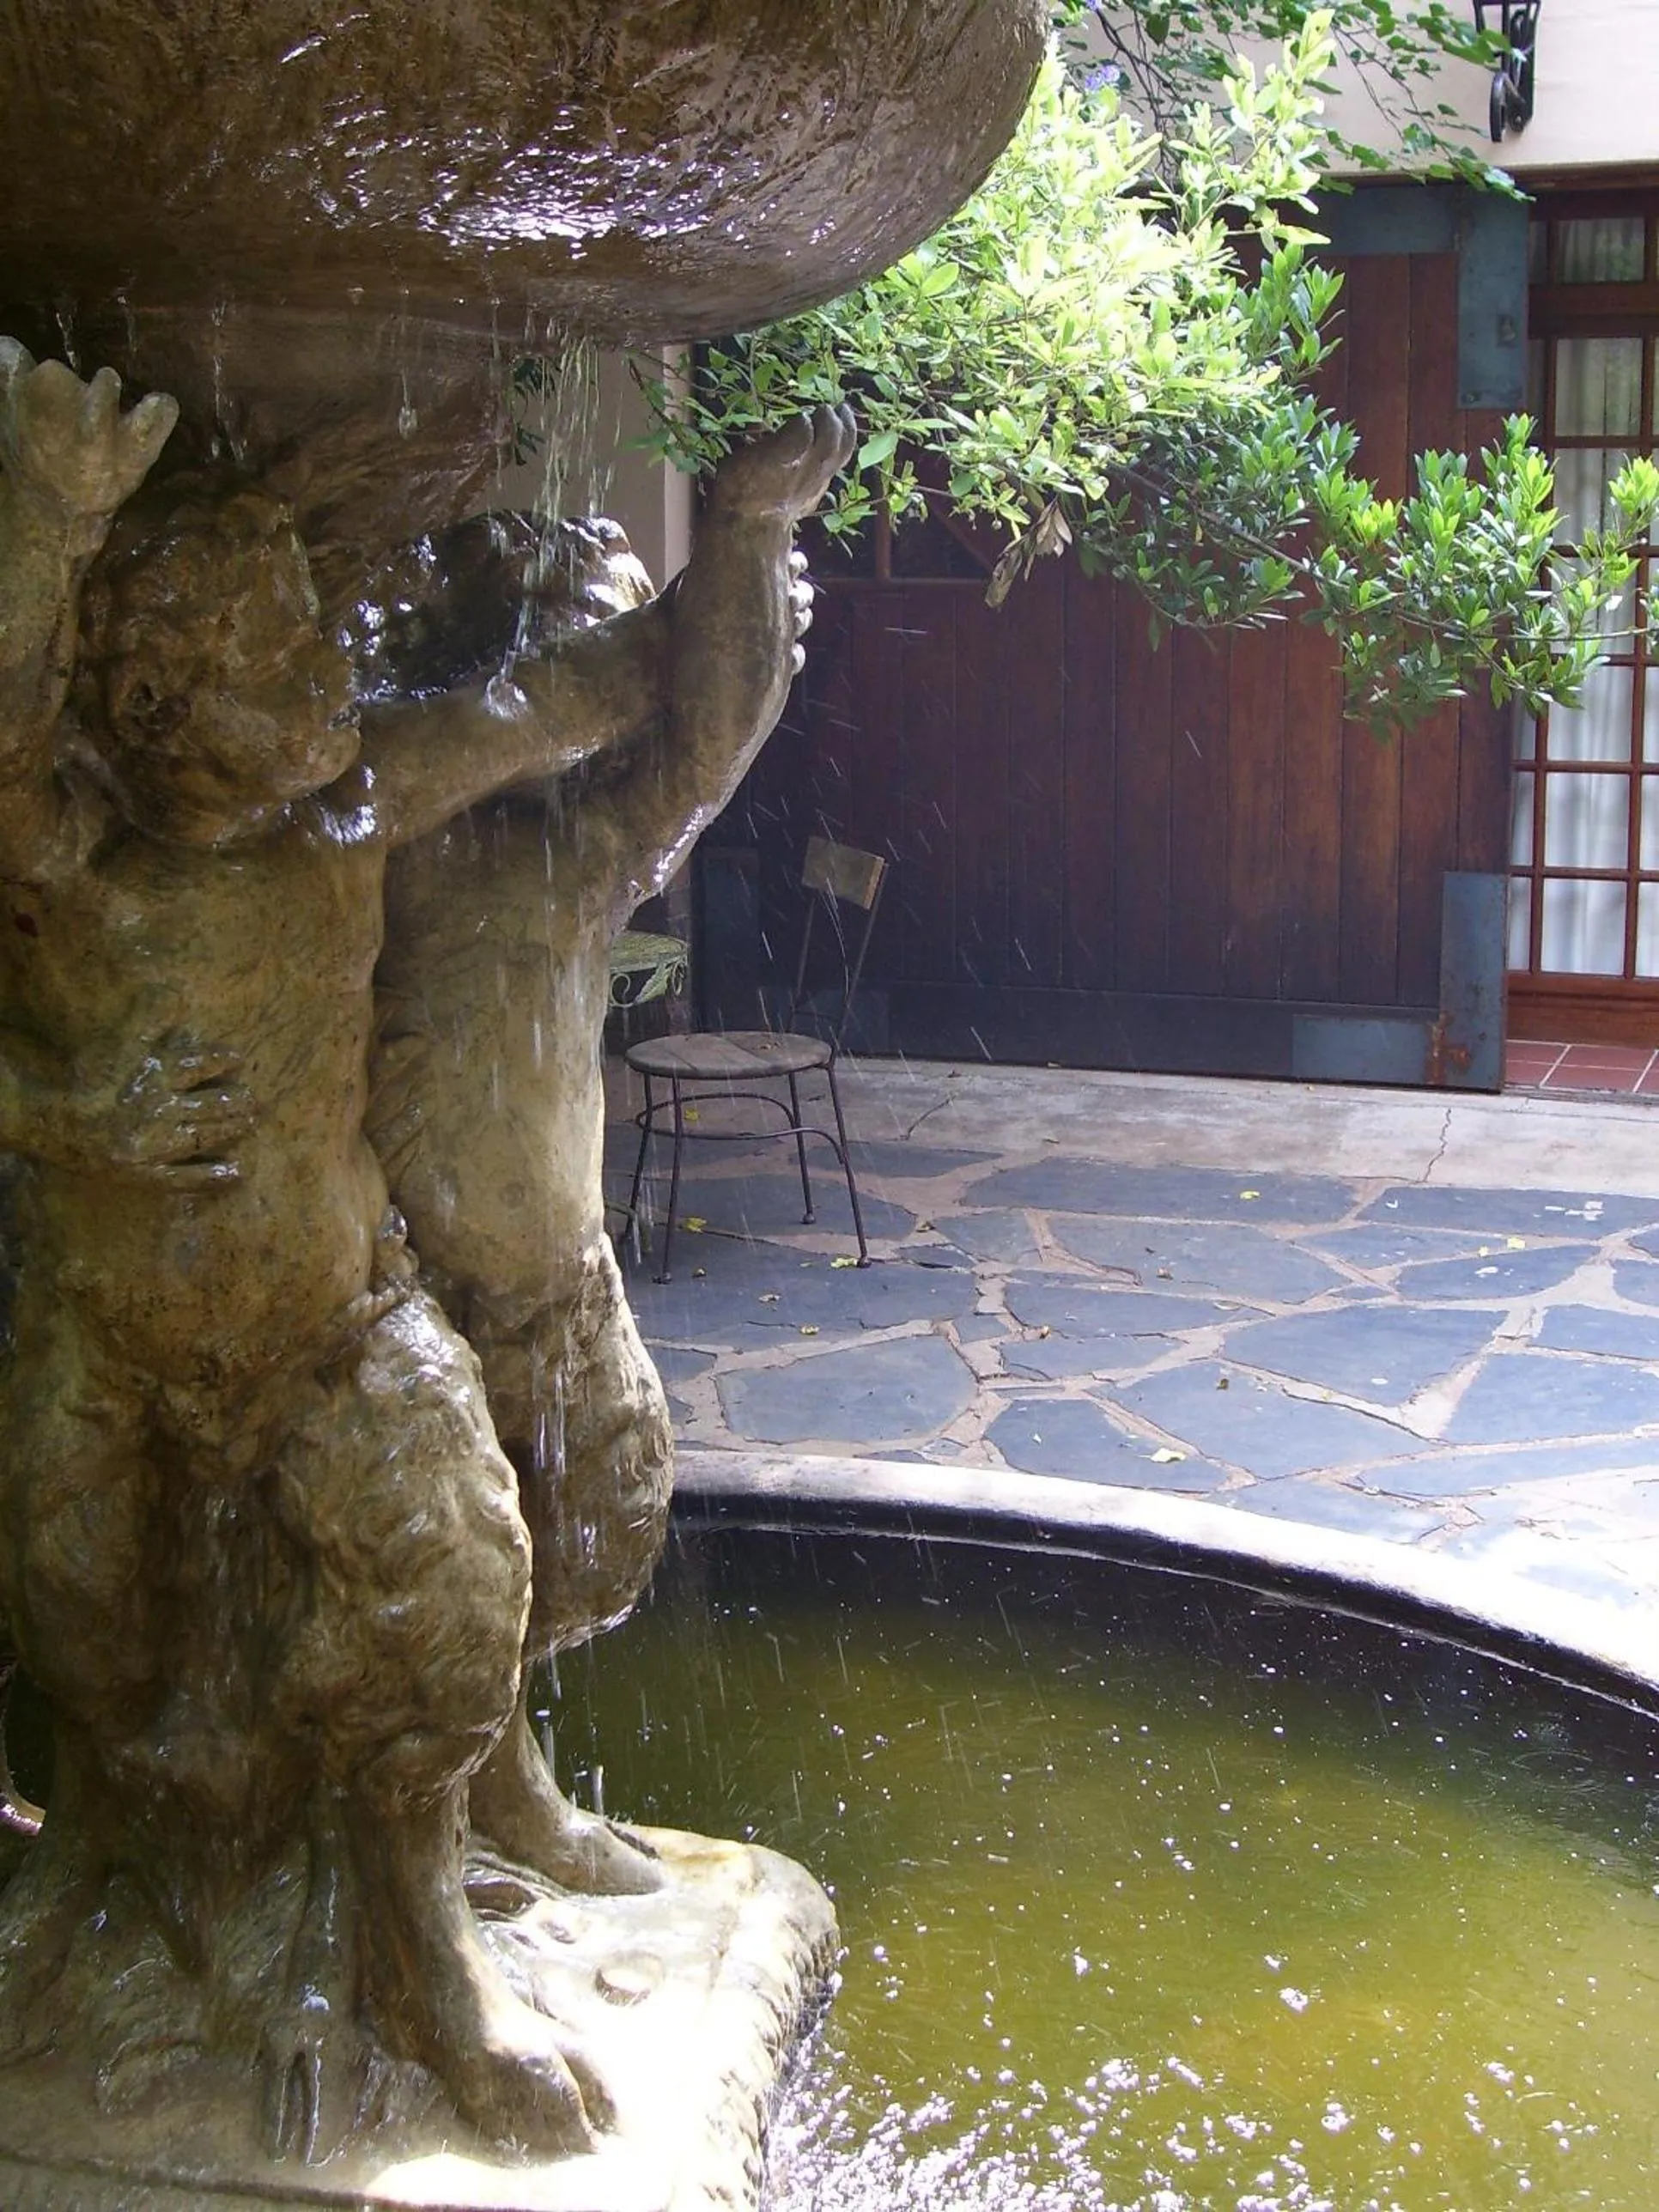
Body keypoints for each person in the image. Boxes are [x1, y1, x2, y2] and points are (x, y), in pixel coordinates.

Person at [0, 338, 846, 2154]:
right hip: (118, 1327)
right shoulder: (87, 848)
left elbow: (629, 698)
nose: (325, 683)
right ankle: (106, 1892)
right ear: (151, 705)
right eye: (276, 659)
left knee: (466, 1576)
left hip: (339, 1314)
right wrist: (52, 527)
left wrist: (748, 540)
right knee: (98, 1635)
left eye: (324, 645)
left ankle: (429, 1940)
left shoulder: (360, 795)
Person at [369, 404, 855, 1899]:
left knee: (589, 1530)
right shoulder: (385, 817)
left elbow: (707, 740)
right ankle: (403, 1835)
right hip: (373, 1272)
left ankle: (501, 1790)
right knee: (431, 1560)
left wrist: (753, 538)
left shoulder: (582, 847)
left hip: (543, 1259)